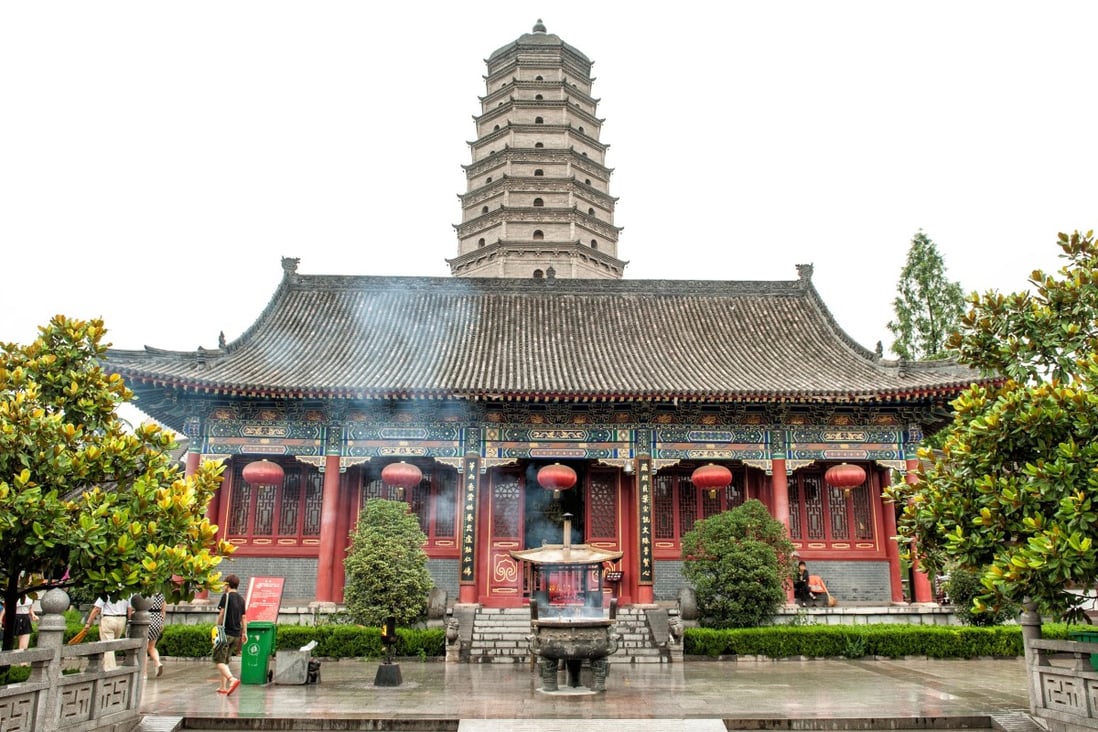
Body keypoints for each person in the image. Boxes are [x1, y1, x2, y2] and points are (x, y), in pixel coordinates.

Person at [214, 574, 247, 695]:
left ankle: (232, 680)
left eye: (224, 584)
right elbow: (244, 617)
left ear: (228, 585)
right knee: (225, 660)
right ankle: (222, 686)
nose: (223, 587)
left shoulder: (226, 596)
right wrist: (245, 633)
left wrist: (217, 627)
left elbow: (222, 613)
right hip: (236, 635)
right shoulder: (241, 599)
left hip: (225, 633)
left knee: (218, 660)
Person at [84, 593, 131, 671]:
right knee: (113, 645)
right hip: (122, 619)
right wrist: (129, 622)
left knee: (108, 646)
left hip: (108, 619)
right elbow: (130, 609)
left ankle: (110, 669)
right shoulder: (127, 592)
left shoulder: (107, 592)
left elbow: (97, 609)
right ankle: (106, 665)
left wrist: (88, 623)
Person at [146, 592, 167, 677]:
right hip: (157, 621)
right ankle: (157, 663)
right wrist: (162, 623)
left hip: (146, 619)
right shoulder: (162, 595)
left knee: (144, 649)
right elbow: (163, 611)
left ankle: (144, 673)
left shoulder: (146, 594)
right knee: (151, 647)